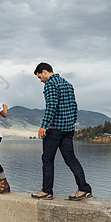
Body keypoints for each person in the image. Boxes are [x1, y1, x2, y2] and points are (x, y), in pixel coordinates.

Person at [31, 62, 92, 201]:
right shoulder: (68, 84)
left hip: (54, 130)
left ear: (45, 71)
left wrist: (44, 126)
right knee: (71, 159)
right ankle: (84, 188)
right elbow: (74, 107)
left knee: (47, 159)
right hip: (68, 129)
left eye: (40, 77)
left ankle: (47, 191)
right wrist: (71, 124)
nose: (41, 80)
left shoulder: (51, 84)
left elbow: (51, 106)